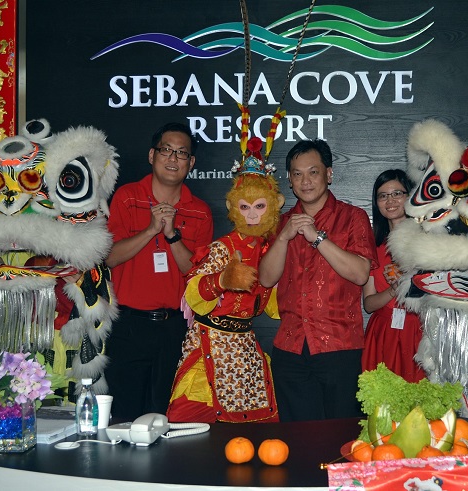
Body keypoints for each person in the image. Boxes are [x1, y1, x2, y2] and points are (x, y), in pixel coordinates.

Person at [166, 137, 284, 423]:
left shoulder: (272, 251)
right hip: (211, 341)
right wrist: (222, 279)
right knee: (190, 423)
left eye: (259, 207)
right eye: (245, 207)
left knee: (254, 425)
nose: (252, 215)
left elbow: (276, 306)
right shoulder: (223, 247)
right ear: (232, 207)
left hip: (245, 346)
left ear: (274, 206)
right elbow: (193, 290)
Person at [258, 139, 377, 422]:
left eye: (313, 172)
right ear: (289, 179)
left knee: (341, 436)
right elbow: (265, 278)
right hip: (290, 347)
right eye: (297, 174)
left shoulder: (353, 217)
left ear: (329, 174)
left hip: (339, 347)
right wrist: (284, 237)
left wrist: (318, 238)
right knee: (298, 439)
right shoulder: (282, 222)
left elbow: (360, 273)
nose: (305, 181)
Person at [105, 122, 213, 420]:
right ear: (152, 155)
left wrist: (172, 235)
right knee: (124, 414)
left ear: (191, 163)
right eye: (167, 150)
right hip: (129, 325)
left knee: (165, 415)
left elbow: (198, 274)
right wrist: (151, 229)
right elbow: (110, 257)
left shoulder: (200, 211)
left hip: (175, 329)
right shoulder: (127, 197)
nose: (173, 158)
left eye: (182, 153)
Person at [360, 169, 426, 382]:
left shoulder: (428, 240)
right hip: (383, 334)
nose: (390, 200)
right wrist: (394, 289)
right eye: (383, 195)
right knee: (382, 407)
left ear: (410, 197)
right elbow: (369, 304)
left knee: (420, 405)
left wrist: (410, 280)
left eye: (397, 193)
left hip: (419, 331)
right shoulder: (372, 245)